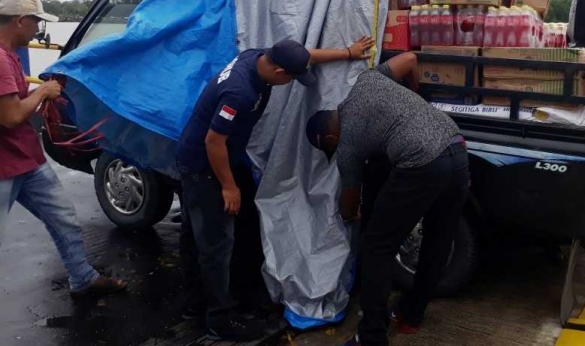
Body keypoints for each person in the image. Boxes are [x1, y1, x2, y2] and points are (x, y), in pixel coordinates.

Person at [177, 35, 374, 342]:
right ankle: (219, 319)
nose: (294, 81)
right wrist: (228, 187)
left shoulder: (260, 56)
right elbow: (213, 141)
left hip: (222, 156)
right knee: (216, 243)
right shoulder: (239, 91)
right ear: (280, 73)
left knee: (203, 234)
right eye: (294, 78)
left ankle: (196, 302)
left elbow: (305, 55)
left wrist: (347, 53)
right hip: (205, 165)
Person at [305, 52, 470, 346]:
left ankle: (371, 337)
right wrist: (414, 96)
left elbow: (350, 202)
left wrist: (349, 215)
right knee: (438, 237)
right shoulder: (367, 80)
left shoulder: (347, 147)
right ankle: (412, 315)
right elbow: (409, 59)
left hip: (422, 161)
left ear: (329, 140)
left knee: (375, 248)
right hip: (456, 146)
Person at [0, 0, 127, 297]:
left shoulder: (10, 55)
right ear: (20, 21)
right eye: (36, 22)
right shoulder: (1, 61)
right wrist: (43, 92)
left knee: (64, 219)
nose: (38, 29)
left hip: (26, 159)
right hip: (4, 167)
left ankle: (82, 277)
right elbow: (11, 116)